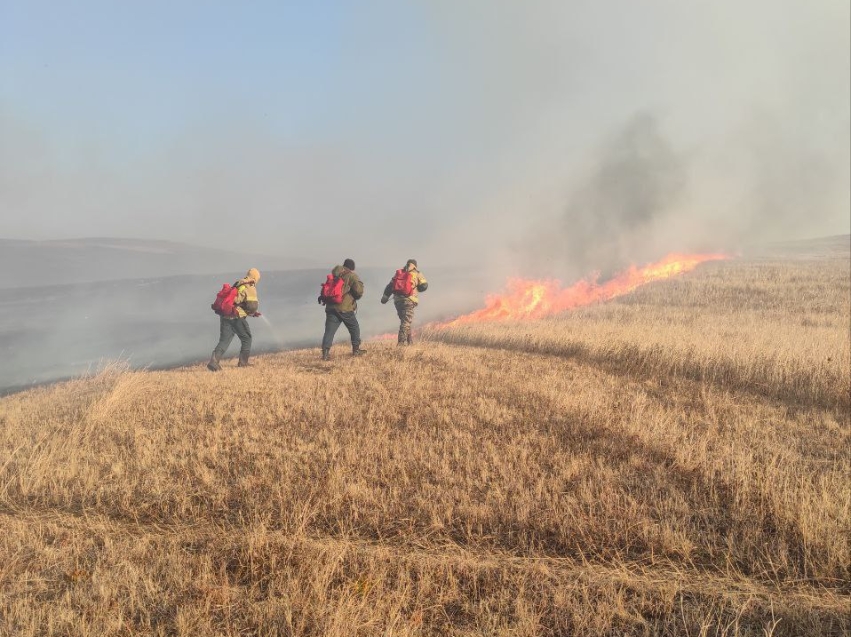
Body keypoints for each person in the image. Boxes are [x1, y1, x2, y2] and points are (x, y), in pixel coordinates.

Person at [207, 268, 262, 371]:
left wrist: (251, 313)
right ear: (255, 277)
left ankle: (214, 361)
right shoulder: (250, 286)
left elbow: (236, 300)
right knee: (247, 338)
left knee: (224, 340)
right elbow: (252, 306)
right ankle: (243, 362)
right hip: (237, 316)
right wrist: (252, 312)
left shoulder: (238, 283)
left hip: (225, 316)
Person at [320, 258, 365, 360]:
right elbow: (359, 291)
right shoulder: (352, 275)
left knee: (329, 331)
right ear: (352, 268)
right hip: (345, 308)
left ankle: (325, 354)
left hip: (331, 307)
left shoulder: (334, 275)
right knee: (354, 328)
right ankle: (356, 350)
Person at [381, 259, 428, 345]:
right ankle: (401, 343)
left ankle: (410, 341)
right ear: (415, 266)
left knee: (405, 320)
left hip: (397, 301)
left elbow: (390, 286)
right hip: (409, 300)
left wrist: (385, 297)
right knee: (406, 322)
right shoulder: (417, 273)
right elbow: (424, 286)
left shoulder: (399, 273)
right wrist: (416, 288)